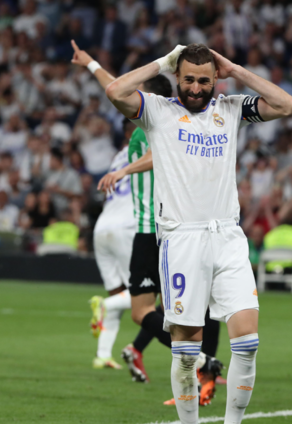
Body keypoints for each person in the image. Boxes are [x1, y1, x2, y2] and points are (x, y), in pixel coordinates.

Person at [100, 42, 292, 423]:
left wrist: (235, 69)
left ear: (215, 79)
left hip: (228, 236)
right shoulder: (157, 111)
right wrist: (162, 62)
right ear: (177, 76)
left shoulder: (231, 109)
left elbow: (286, 104)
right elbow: (115, 91)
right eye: (188, 79)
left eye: (204, 81)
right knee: (187, 352)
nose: (195, 88)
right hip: (182, 239)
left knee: (248, 343)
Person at [73, 41, 225, 405]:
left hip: (160, 230)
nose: (131, 95)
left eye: (138, 91)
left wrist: (125, 169)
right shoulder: (152, 123)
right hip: (153, 231)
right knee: (156, 311)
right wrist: (91, 63)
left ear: (150, 96)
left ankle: (200, 367)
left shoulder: (161, 121)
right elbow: (114, 86)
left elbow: (160, 154)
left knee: (179, 309)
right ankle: (202, 363)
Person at [89, 118, 137, 371]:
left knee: (118, 293)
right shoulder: (148, 150)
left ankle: (102, 355)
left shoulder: (118, 157)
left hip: (102, 226)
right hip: (127, 226)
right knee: (142, 292)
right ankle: (103, 306)